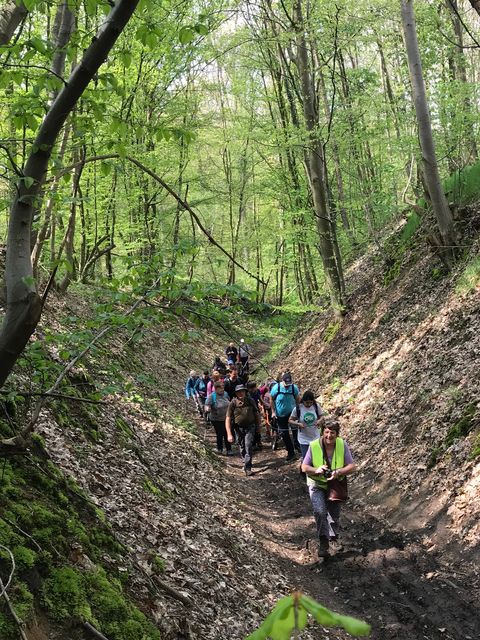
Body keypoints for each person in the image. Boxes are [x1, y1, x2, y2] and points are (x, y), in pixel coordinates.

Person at [301, 417, 356, 558]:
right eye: (326, 432)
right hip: (316, 484)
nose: (329, 436)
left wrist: (338, 472)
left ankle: (333, 538)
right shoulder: (314, 446)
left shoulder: (341, 445)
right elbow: (304, 467)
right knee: (320, 511)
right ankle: (323, 541)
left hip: (335, 484)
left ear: (337, 434)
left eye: (332, 433)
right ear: (322, 432)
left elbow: (352, 466)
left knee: (334, 514)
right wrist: (316, 470)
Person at [226, 384, 261, 476]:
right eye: (238, 392)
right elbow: (228, 418)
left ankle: (248, 467)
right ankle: (244, 459)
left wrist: (258, 427)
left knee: (248, 445)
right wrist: (229, 434)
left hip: (250, 427)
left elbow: (256, 413)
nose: (241, 393)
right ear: (236, 393)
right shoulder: (233, 403)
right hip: (238, 428)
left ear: (245, 392)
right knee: (241, 445)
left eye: (242, 391)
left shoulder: (250, 401)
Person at [270, 372, 300, 461]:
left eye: (289, 384)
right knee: (284, 433)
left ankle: (298, 447)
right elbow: (271, 399)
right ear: (282, 381)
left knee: (295, 431)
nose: (287, 386)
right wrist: (273, 412)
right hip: (281, 415)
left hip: (292, 414)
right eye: (286, 384)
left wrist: (298, 410)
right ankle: (291, 452)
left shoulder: (294, 388)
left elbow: (298, 399)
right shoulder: (276, 388)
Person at [288, 390, 323, 460]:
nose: (309, 404)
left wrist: (319, 421)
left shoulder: (316, 406)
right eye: (307, 403)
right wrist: (298, 424)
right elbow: (290, 420)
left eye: (311, 402)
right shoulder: (298, 409)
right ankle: (305, 470)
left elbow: (322, 416)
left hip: (315, 436)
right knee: (306, 458)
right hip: (303, 438)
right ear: (303, 401)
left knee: (317, 457)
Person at [204, 381, 232, 455]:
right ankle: (220, 449)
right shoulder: (212, 396)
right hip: (216, 419)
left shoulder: (225, 394)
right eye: (220, 388)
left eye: (223, 388)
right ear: (216, 389)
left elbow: (228, 401)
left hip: (226, 417)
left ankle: (229, 449)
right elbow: (207, 405)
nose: (222, 390)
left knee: (227, 433)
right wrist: (207, 408)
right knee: (220, 433)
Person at [247, 380, 262, 448]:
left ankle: (258, 441)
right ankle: (252, 443)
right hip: (249, 412)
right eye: (251, 387)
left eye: (254, 387)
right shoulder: (247, 394)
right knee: (251, 427)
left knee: (257, 426)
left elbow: (260, 399)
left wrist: (264, 404)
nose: (253, 389)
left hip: (256, 410)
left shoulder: (257, 391)